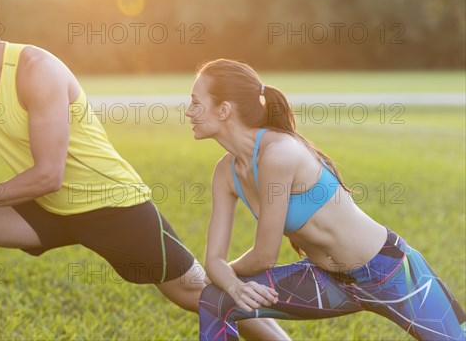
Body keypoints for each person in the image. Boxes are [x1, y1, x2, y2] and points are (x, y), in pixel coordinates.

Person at [0, 0, 289, 340]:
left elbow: (49, 174)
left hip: (111, 203)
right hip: (50, 208)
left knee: (199, 293)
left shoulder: (35, 70)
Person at [185, 58, 466, 341]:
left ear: (223, 110)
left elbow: (264, 256)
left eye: (196, 102)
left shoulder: (277, 154)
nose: (188, 112)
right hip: (328, 282)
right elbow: (214, 260)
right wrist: (229, 285)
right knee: (215, 299)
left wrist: (227, 277)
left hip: (389, 272)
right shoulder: (225, 173)